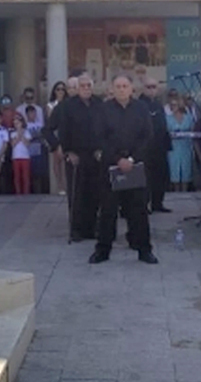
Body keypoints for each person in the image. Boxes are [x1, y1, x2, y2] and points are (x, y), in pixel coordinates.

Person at [90, 75, 157, 264]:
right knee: (108, 211)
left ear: (131, 88)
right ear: (112, 88)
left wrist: (131, 159)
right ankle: (103, 250)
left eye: (125, 86)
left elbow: (148, 136)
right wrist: (118, 159)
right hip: (111, 167)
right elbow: (99, 138)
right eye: (118, 86)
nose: (121, 89)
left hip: (135, 166)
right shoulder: (103, 110)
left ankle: (144, 250)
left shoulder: (141, 109)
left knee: (139, 211)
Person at [57, 74, 103, 242]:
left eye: (88, 86)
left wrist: (101, 149)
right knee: (77, 194)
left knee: (94, 193)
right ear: (77, 88)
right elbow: (63, 130)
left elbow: (105, 129)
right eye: (82, 86)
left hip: (95, 155)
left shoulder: (99, 104)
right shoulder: (68, 106)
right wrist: (68, 152)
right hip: (76, 155)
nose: (86, 89)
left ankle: (92, 228)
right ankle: (76, 230)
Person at [139, 78, 172, 213]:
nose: (151, 90)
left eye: (154, 87)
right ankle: (144, 204)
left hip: (160, 147)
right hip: (145, 148)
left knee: (161, 176)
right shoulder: (139, 104)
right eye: (148, 87)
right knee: (146, 178)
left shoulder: (158, 104)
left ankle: (157, 203)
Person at [165, 89, 195, 192]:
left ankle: (185, 191)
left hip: (186, 145)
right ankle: (176, 192)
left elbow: (192, 131)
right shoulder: (167, 118)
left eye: (175, 105)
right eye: (171, 105)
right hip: (173, 146)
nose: (173, 107)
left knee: (186, 168)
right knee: (174, 169)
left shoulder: (188, 117)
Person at [10, 116, 32, 195]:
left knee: (25, 176)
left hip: (25, 156)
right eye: (15, 124)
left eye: (18, 123)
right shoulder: (12, 133)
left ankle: (26, 192)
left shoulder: (27, 132)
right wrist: (18, 135)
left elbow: (27, 144)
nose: (16, 125)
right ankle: (18, 192)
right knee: (17, 176)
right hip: (16, 156)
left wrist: (22, 135)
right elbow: (13, 144)